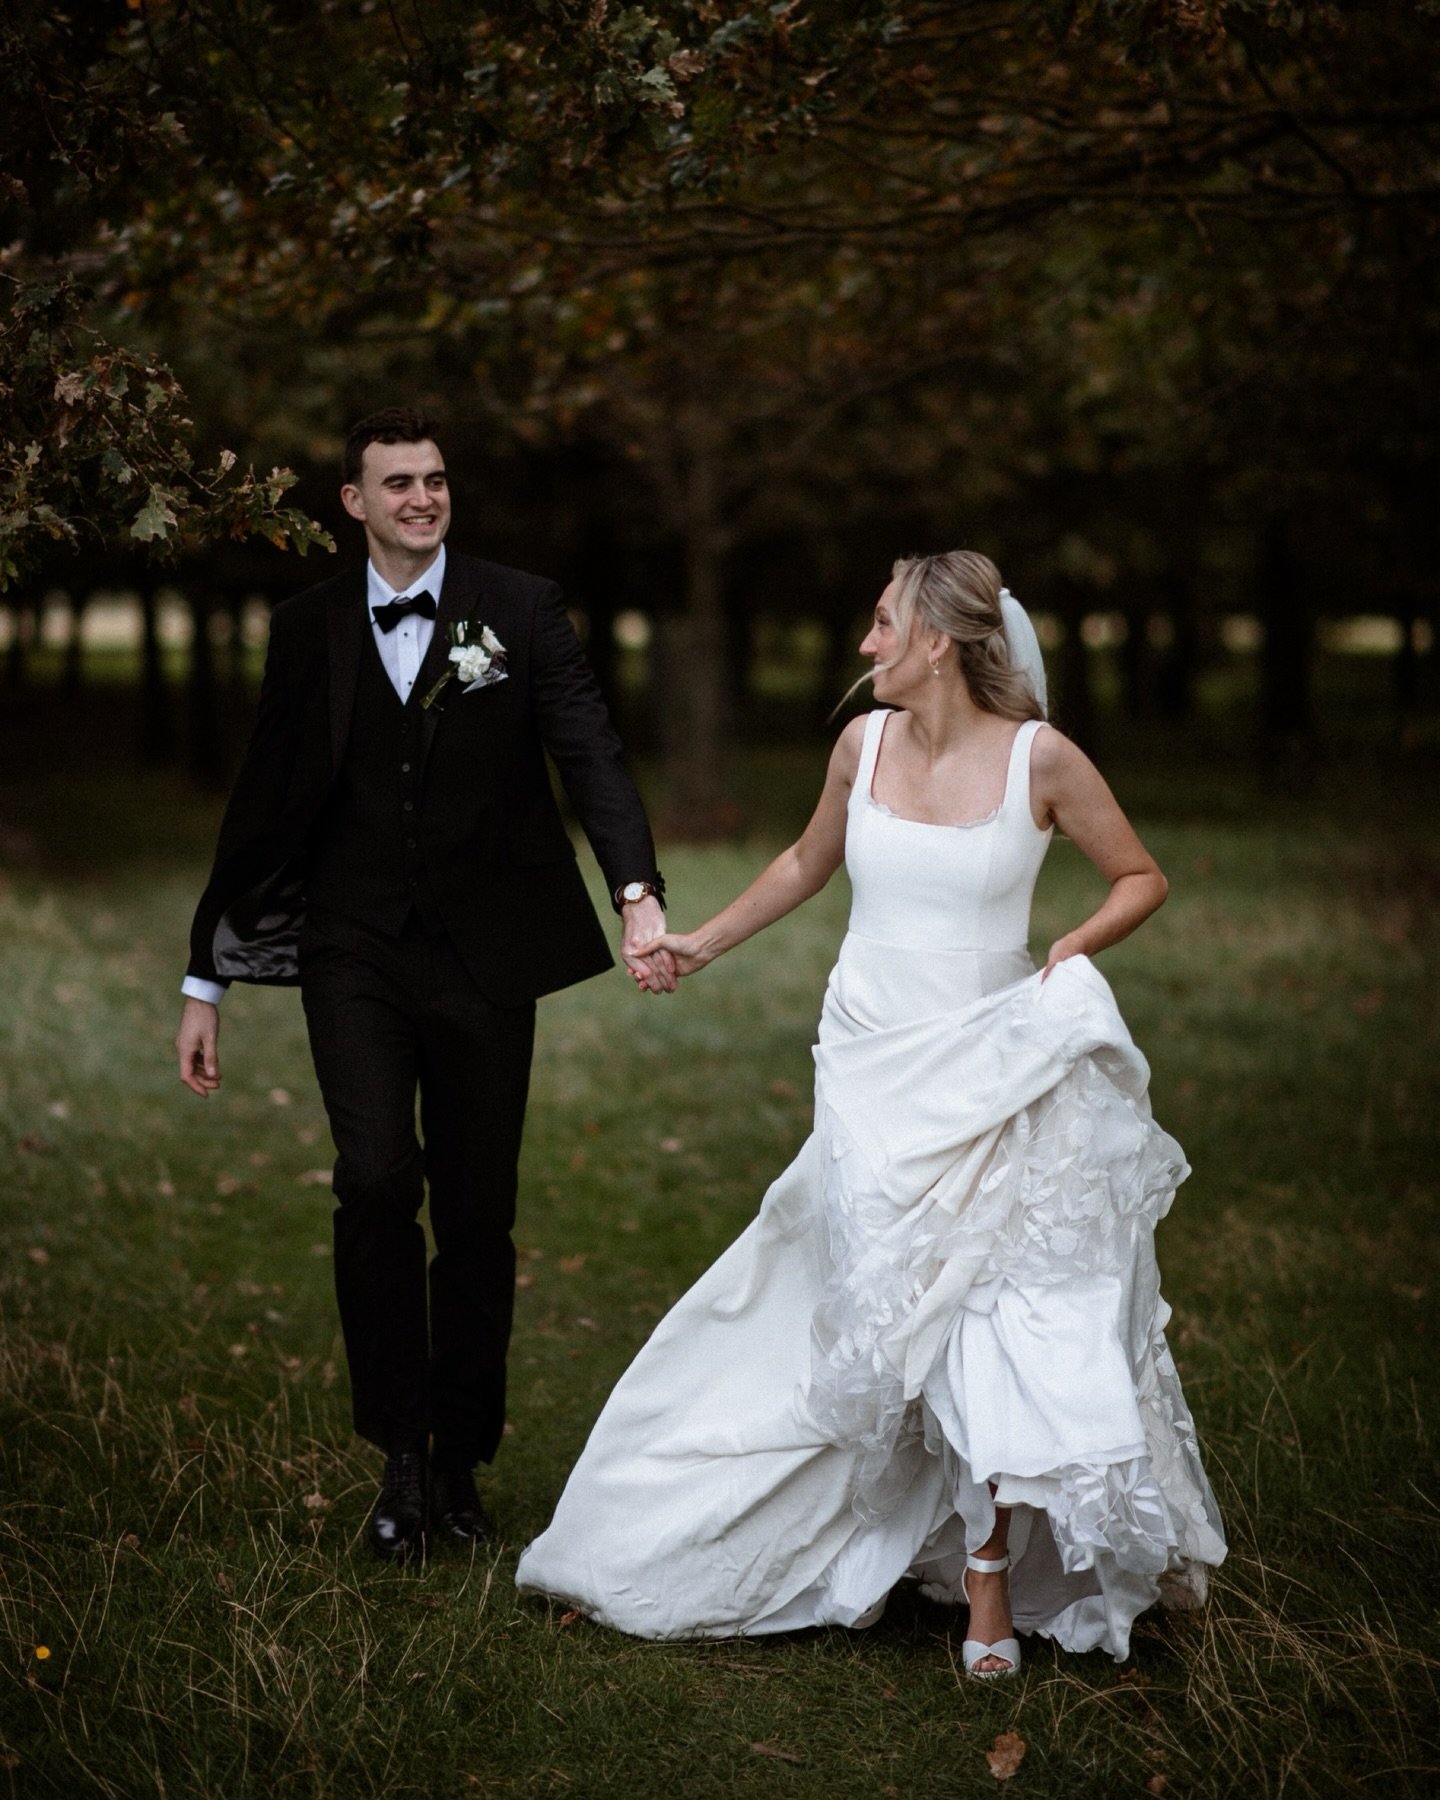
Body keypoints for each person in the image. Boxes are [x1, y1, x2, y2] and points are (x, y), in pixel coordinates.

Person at [515, 551, 1225, 1672]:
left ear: (938, 640)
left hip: (991, 1065)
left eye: (881, 623)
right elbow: (807, 862)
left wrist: (1073, 950)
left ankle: (989, 1574)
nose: (864, 644)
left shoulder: (1042, 759)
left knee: (989, 1315)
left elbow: (1139, 874)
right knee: (876, 1306)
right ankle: (855, 1524)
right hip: (869, 1065)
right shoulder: (862, 745)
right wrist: (698, 943)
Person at [175, 407, 674, 1562]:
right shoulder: (305, 629)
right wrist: (209, 975)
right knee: (373, 1179)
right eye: (396, 482)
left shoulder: (520, 609)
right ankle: (397, 1451)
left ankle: (460, 1462)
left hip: (484, 953)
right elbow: (262, 798)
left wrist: (635, 888)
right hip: (351, 949)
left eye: (436, 480)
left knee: (480, 1212)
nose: (421, 498)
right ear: (353, 502)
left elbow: (589, 748)